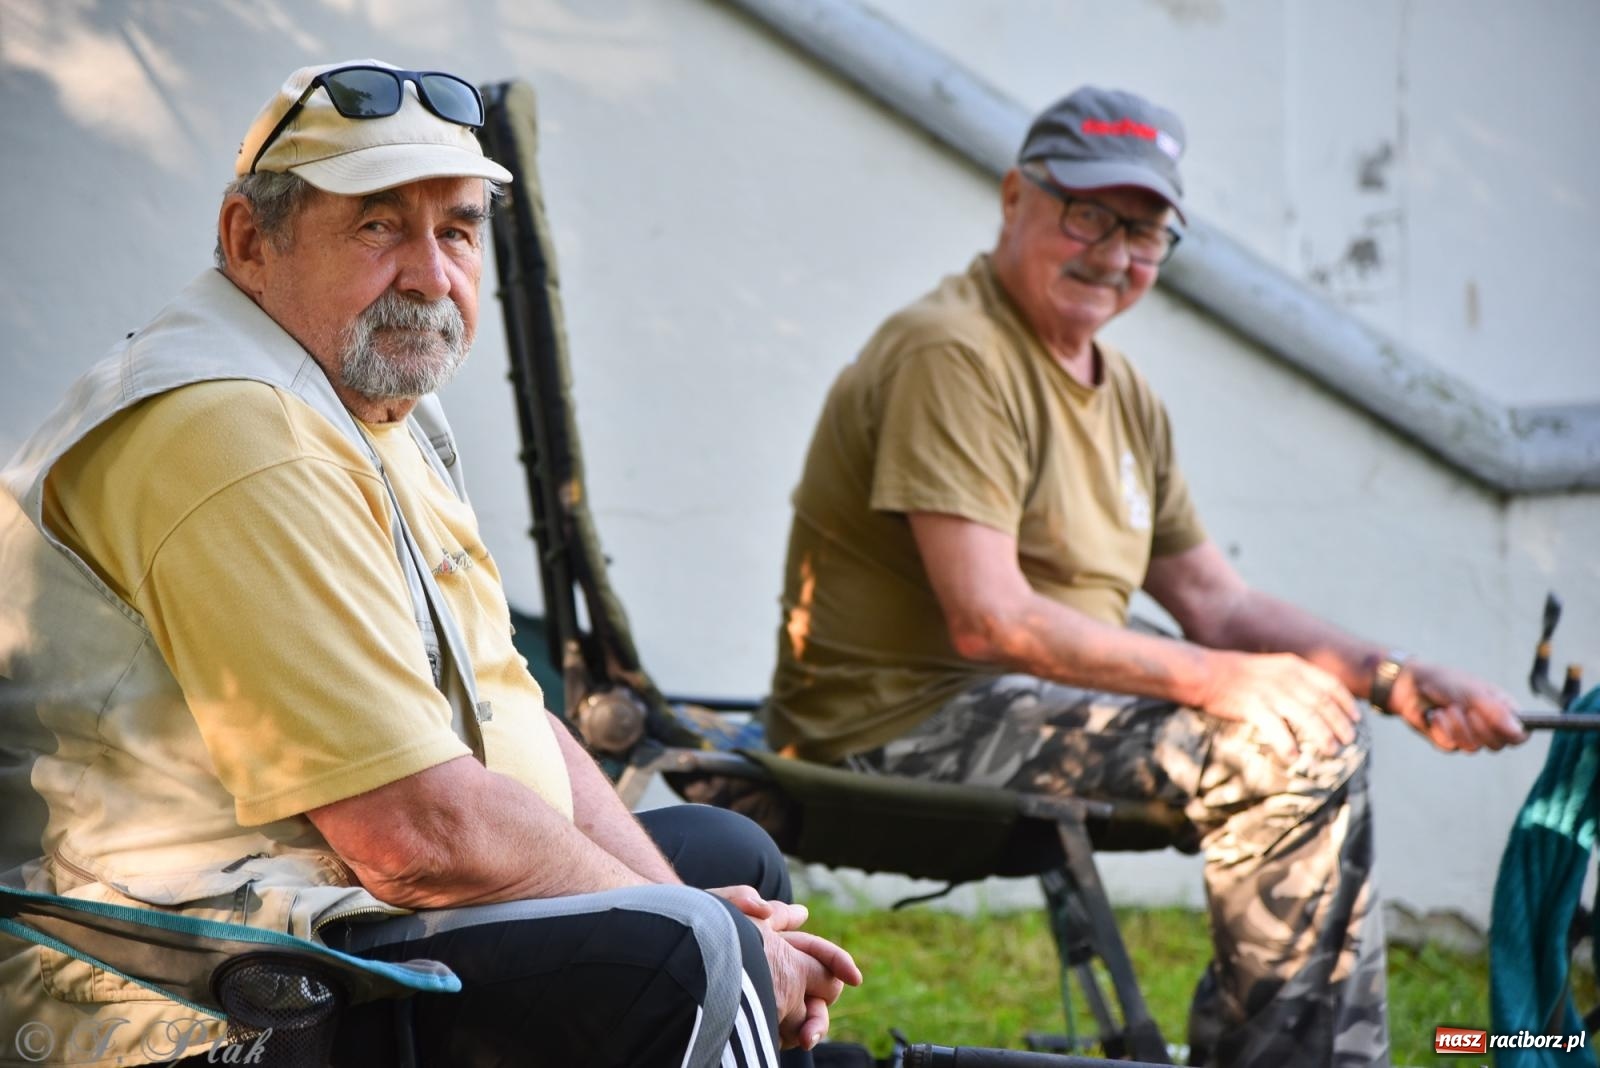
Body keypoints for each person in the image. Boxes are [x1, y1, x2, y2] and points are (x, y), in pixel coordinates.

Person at [0, 59, 856, 1068]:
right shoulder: (231, 427)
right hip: (171, 990)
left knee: (721, 862)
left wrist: (684, 902)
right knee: (678, 951)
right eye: (377, 226)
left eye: (454, 229)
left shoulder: (366, 404)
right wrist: (709, 935)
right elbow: (411, 836)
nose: (428, 273)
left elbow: (504, 710)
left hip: (313, 912)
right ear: (249, 240)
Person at [764, 85, 1525, 1068]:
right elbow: (987, 620)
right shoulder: (953, 351)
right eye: (1087, 214)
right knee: (1280, 743)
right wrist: (1227, 681)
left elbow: (1217, 602)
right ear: (1014, 197)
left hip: (1019, 704)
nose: (1113, 254)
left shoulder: (1121, 393)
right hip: (895, 728)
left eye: (1144, 232)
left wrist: (1392, 676)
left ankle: (1295, 1049)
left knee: (1313, 719)